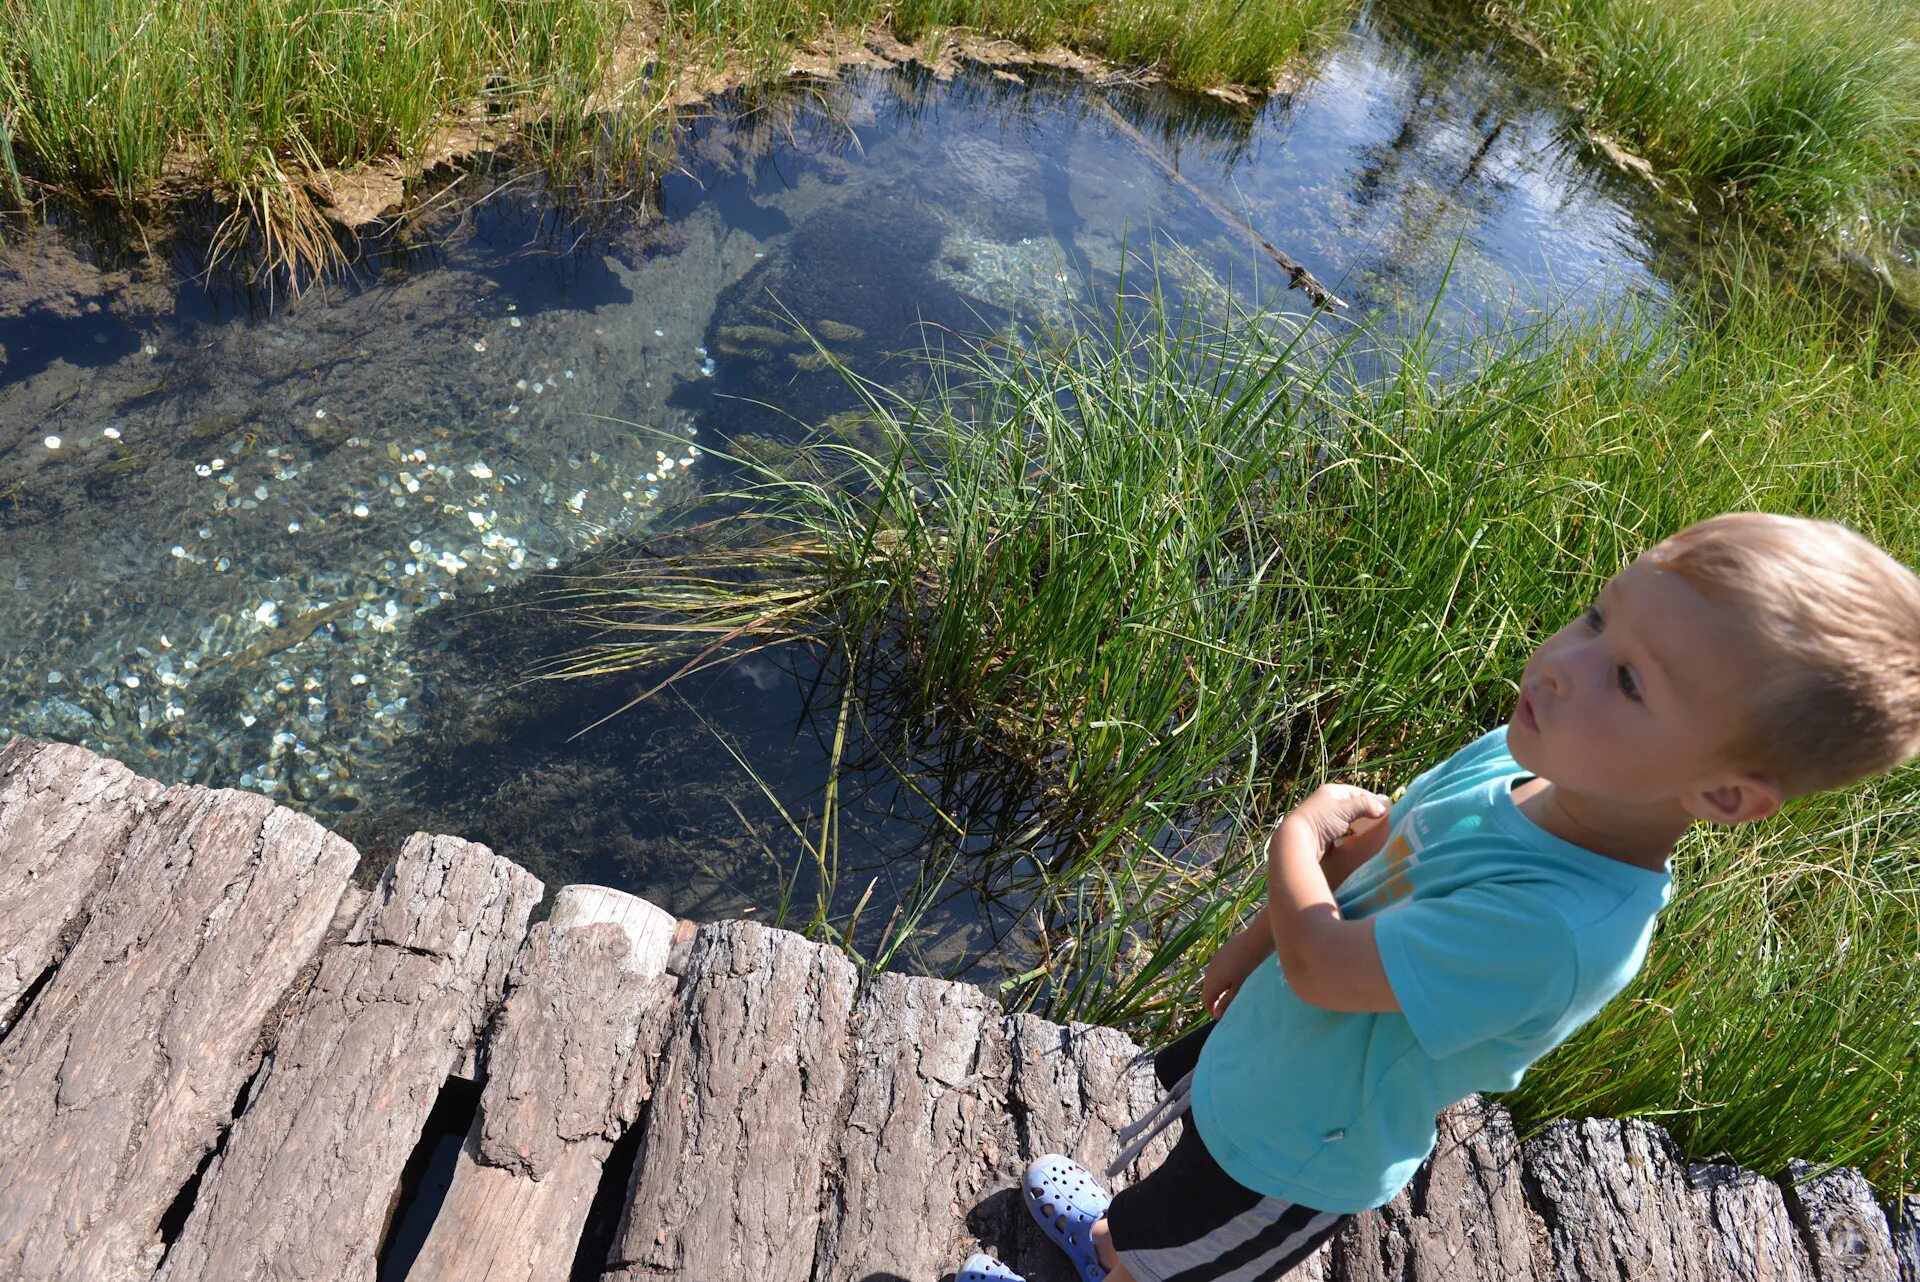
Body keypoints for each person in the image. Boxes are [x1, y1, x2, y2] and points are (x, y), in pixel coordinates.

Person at [956, 512, 1920, 1282]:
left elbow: (1326, 960)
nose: (1559, 663)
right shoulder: (1519, 754)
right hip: (1267, 1057)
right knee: (1167, 1204)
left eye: (1627, 680)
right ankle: (1118, 1243)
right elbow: (1370, 850)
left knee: (1188, 1253)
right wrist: (1254, 948)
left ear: (1720, 794)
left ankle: (1131, 1267)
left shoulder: (1559, 928)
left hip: (1295, 1149)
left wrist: (1290, 836)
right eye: (1595, 617)